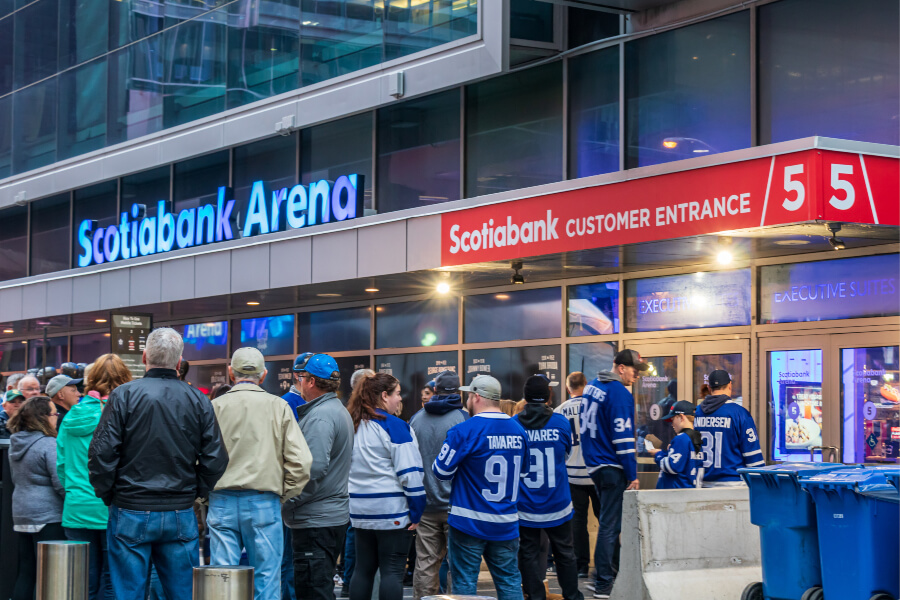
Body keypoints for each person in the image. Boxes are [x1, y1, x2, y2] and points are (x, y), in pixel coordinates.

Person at [89, 327, 229, 600]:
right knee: (183, 592)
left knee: (128, 592)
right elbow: (216, 457)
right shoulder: (197, 399)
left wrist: (109, 493)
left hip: (130, 506)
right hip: (179, 509)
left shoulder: (123, 396)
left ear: (144, 358)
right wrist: (196, 490)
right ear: (179, 363)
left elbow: (101, 455)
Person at [209, 347, 313, 600]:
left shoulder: (213, 406)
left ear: (230, 373)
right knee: (267, 579)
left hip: (221, 500)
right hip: (263, 500)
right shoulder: (278, 406)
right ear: (264, 374)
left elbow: (194, 457)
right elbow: (302, 461)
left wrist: (203, 496)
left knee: (223, 582)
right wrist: (283, 493)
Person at [432, 374, 528, 600]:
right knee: (509, 581)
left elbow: (440, 471)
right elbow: (522, 472)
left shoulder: (465, 430)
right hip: (506, 521)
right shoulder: (519, 431)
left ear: (476, 397)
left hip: (468, 520)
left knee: (464, 582)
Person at [57, 353, 131, 600]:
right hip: (112, 507)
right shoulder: (123, 413)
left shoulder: (71, 416)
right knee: (113, 581)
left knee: (80, 583)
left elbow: (61, 466)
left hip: (76, 507)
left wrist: (75, 489)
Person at [346, 373, 425, 600]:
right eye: (397, 394)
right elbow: (411, 475)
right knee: (392, 572)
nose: (400, 399)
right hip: (392, 512)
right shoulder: (396, 426)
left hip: (359, 511)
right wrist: (417, 511)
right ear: (384, 395)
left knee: (363, 570)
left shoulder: (354, 423)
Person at [282, 353, 354, 600]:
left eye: (300, 377)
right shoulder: (334, 410)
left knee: (313, 591)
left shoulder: (321, 416)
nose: (298, 383)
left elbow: (312, 469)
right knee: (319, 587)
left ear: (311, 381)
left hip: (315, 519)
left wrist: (287, 500)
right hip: (325, 517)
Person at [580, 349, 646, 599]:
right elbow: (624, 439)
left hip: (595, 464)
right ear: (620, 368)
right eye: (634, 370)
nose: (636, 376)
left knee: (609, 522)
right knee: (609, 526)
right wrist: (632, 473)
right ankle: (603, 583)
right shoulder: (619, 393)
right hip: (612, 467)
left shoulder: (593, 385)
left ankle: (608, 576)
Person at [515, 375, 583, 600]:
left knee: (529, 553)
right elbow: (566, 455)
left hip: (526, 504)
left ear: (525, 397)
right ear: (547, 396)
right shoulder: (561, 422)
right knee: (565, 553)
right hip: (557, 502)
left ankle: (535, 597)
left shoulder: (514, 424)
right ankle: (572, 596)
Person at [409, 371, 467, 599]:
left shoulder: (416, 418)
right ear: (459, 392)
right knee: (458, 566)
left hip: (426, 504)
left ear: (435, 390)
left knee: (425, 564)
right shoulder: (464, 419)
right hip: (456, 505)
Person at [8, 397, 65, 600]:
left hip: (22, 513)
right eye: (53, 413)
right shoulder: (48, 444)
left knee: (27, 571)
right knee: (49, 574)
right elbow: (60, 482)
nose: (56, 418)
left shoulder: (16, 442)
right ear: (42, 417)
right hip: (48, 515)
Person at [553, 372, 597, 578]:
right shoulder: (594, 407)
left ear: (568, 388)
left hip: (571, 474)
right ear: (586, 385)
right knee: (605, 520)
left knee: (578, 522)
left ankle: (581, 566)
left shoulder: (559, 411)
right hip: (595, 472)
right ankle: (610, 565)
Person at [695, 370, 763, 486]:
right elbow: (753, 457)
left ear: (709, 388)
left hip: (703, 484)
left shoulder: (697, 412)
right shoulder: (739, 413)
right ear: (730, 385)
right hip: (733, 484)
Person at [647, 401, 703, 489]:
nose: (672, 424)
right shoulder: (696, 438)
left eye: (673, 419)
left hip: (676, 494)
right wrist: (665, 453)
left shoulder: (681, 439)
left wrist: (658, 455)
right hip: (689, 491)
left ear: (681, 417)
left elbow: (672, 467)